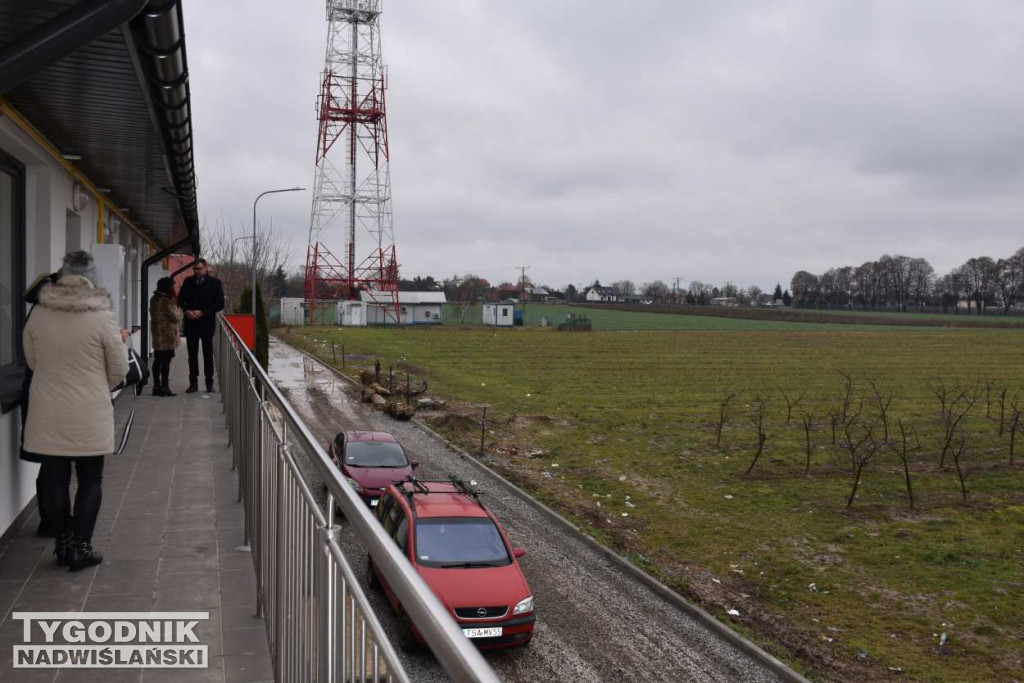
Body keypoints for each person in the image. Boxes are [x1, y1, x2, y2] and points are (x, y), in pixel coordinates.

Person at [22, 251, 129, 571]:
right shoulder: (102, 316)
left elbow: (31, 360)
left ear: (61, 276)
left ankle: (63, 545)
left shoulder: (39, 314)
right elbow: (119, 367)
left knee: (54, 479)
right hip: (90, 412)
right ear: (92, 279)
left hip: (47, 411)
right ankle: (82, 548)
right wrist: (99, 386)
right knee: (90, 478)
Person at [19, 271, 60, 537]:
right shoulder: (49, 317)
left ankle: (50, 518)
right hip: (48, 393)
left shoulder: (37, 313)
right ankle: (51, 520)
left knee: (50, 460)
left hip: (36, 390)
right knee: (54, 461)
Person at [177, 258, 224, 393]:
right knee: (192, 355)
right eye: (195, 269)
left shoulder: (215, 283)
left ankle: (209, 383)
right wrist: (186, 311)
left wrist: (203, 312)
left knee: (208, 355)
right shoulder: (188, 282)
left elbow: (220, 303)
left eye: (199, 269)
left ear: (206, 268)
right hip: (191, 324)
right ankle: (193, 383)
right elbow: (181, 299)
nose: (197, 271)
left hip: (206, 324)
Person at [149, 277, 183, 396]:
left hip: (157, 335)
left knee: (158, 360)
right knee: (166, 361)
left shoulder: (154, 299)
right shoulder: (167, 301)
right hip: (168, 335)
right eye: (172, 286)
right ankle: (165, 386)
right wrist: (179, 309)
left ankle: (156, 386)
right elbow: (177, 317)